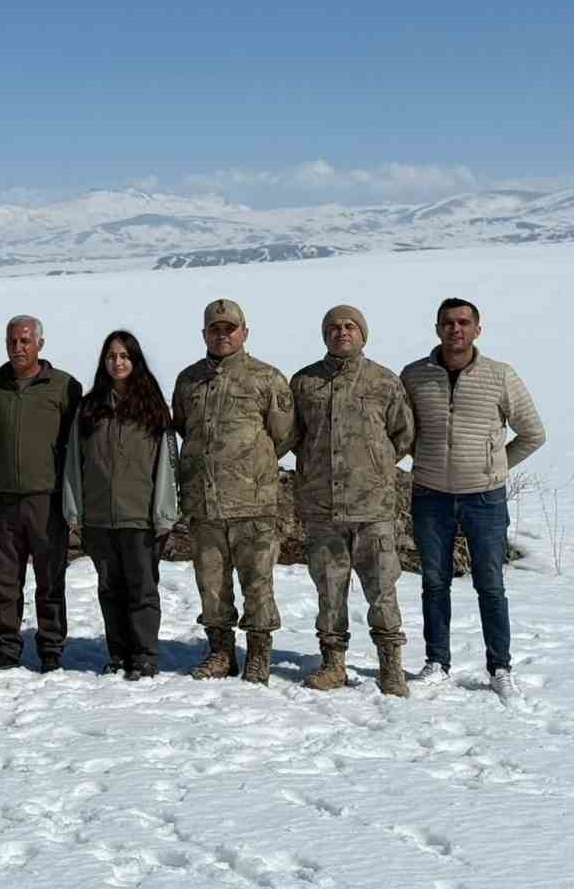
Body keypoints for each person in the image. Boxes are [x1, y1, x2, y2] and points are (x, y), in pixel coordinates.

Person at [401, 297, 545, 699]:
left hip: (484, 499)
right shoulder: (414, 376)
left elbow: (533, 433)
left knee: (491, 585)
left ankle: (500, 667)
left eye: (464, 322)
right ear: (437, 328)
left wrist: (493, 468)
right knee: (434, 583)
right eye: (448, 323)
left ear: (477, 329)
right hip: (430, 495)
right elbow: (403, 432)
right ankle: (436, 662)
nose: (456, 329)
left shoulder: (500, 376)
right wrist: (424, 460)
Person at [290, 305, 415, 696]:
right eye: (333, 327)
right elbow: (291, 436)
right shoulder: (305, 382)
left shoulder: (384, 381)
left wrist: (375, 467)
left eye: (349, 327)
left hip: (372, 508)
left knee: (382, 587)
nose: (341, 332)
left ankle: (390, 666)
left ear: (363, 333)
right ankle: (333, 665)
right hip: (322, 507)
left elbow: (403, 434)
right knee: (329, 589)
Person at [171, 299, 294, 685]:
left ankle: (259, 653)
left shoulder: (267, 378)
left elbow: (284, 435)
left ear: (245, 332)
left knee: (257, 584)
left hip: (252, 503)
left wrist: (249, 466)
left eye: (230, 328)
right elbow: (182, 427)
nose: (222, 335)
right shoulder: (188, 380)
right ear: (204, 334)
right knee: (211, 585)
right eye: (215, 329)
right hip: (204, 504)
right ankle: (220, 652)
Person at [0, 315, 81, 672]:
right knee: (6, 580)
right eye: (12, 341)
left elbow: (77, 447)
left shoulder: (63, 387)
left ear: (39, 345)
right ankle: (7, 646)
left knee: (50, 578)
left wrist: (75, 497)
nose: (18, 347)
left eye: (25, 341)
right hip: (3, 500)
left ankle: (50, 648)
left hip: (47, 500)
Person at [62, 330, 177, 680]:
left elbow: (168, 465)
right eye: (112, 356)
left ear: (135, 360)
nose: (118, 362)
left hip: (140, 517)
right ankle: (118, 654)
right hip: (99, 517)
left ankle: (144, 655)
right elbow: (73, 461)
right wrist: (74, 509)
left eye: (125, 355)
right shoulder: (89, 407)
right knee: (110, 590)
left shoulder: (153, 408)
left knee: (142, 590)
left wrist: (164, 513)